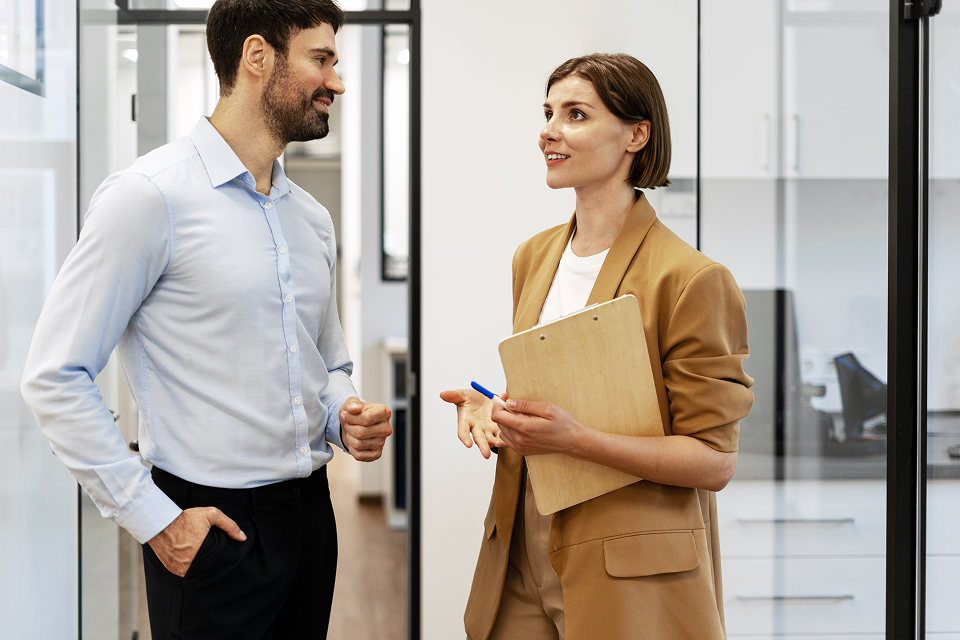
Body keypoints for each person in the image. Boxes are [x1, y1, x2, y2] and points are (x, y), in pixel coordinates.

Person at [20, 1, 393, 638]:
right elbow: (54, 375)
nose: (336, 81)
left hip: (310, 518)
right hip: (211, 527)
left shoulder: (312, 219)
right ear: (257, 57)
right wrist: (156, 520)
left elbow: (327, 361)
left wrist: (342, 412)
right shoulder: (149, 197)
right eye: (322, 59)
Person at [441, 53, 754, 640]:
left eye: (576, 114)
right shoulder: (533, 257)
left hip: (630, 560)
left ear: (637, 134)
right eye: (548, 112)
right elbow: (578, 391)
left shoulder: (690, 278)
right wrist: (497, 409)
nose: (549, 130)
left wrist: (575, 440)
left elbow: (714, 461)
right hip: (523, 539)